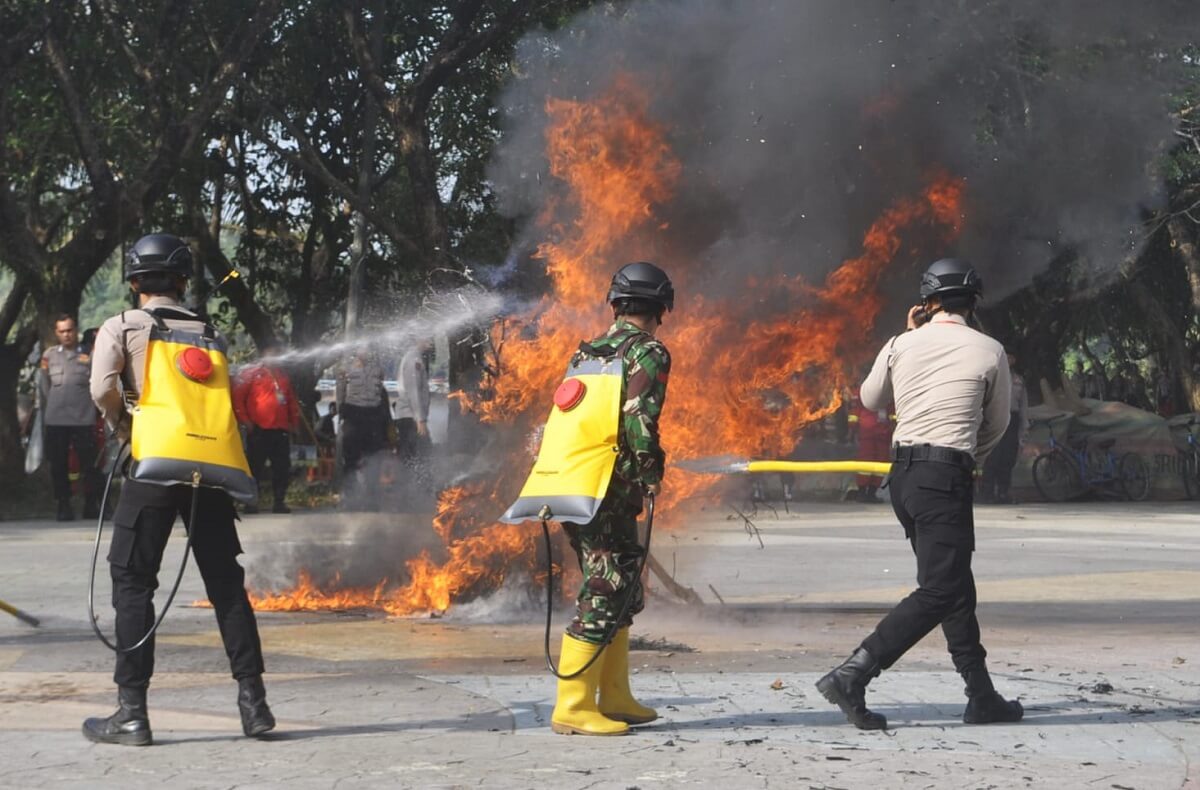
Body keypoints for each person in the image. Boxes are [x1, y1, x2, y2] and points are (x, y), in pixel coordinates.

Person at [817, 258, 1023, 730]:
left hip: (904, 478)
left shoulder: (900, 344)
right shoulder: (990, 350)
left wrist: (904, 339)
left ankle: (981, 694)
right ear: (972, 303)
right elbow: (998, 423)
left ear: (927, 303)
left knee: (952, 582)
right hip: (944, 476)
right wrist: (968, 456)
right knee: (941, 587)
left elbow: (870, 399)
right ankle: (853, 674)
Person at [83, 233, 273, 745]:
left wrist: (129, 421)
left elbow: (103, 388)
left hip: (154, 466)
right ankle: (254, 705)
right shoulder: (210, 333)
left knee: (132, 582)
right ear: (183, 280)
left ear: (135, 281)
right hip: (210, 471)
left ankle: (131, 713)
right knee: (226, 586)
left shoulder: (122, 325)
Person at [551, 261, 673, 737]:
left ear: (617, 304)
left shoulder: (586, 352)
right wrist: (649, 473)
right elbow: (639, 419)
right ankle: (575, 704)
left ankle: (615, 695)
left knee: (621, 589)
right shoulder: (649, 352)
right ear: (661, 307)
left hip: (573, 483)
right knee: (605, 590)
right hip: (607, 488)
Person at [38, 315, 103, 521]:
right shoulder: (49, 356)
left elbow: (98, 384)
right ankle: (63, 505)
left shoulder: (89, 355)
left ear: (76, 330)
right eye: (62, 331)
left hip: (83, 419)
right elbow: (43, 387)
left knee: (90, 464)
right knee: (58, 464)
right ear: (56, 333)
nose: (66, 334)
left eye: (70, 330)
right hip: (56, 420)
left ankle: (91, 504)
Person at [233, 342, 300, 514]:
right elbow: (238, 400)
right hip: (258, 429)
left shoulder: (283, 377)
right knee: (255, 467)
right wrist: (246, 421)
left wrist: (294, 422)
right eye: (271, 355)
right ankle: (251, 502)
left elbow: (291, 401)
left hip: (280, 429)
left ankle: (279, 501)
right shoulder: (252, 374)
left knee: (282, 467)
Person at [335, 345, 389, 506]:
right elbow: (340, 393)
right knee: (351, 458)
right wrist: (341, 414)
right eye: (361, 348)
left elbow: (380, 392)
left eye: (367, 348)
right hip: (353, 414)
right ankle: (350, 497)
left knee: (374, 458)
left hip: (373, 415)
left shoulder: (378, 369)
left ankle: (372, 498)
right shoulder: (345, 369)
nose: (365, 352)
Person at [980, 349, 1028, 504]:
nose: (1008, 359)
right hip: (994, 418)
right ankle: (987, 493)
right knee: (992, 456)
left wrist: (1024, 426)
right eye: (1006, 356)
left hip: (1012, 419)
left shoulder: (1018, 380)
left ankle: (1003, 492)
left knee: (1008, 457)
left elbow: (1023, 406)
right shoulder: (991, 376)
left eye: (1011, 357)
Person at [393, 338, 434, 490]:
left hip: (411, 417)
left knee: (413, 454)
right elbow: (413, 391)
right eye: (428, 337)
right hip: (410, 417)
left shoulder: (414, 358)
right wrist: (420, 419)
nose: (432, 341)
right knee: (420, 453)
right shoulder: (413, 360)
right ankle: (415, 490)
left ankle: (413, 490)